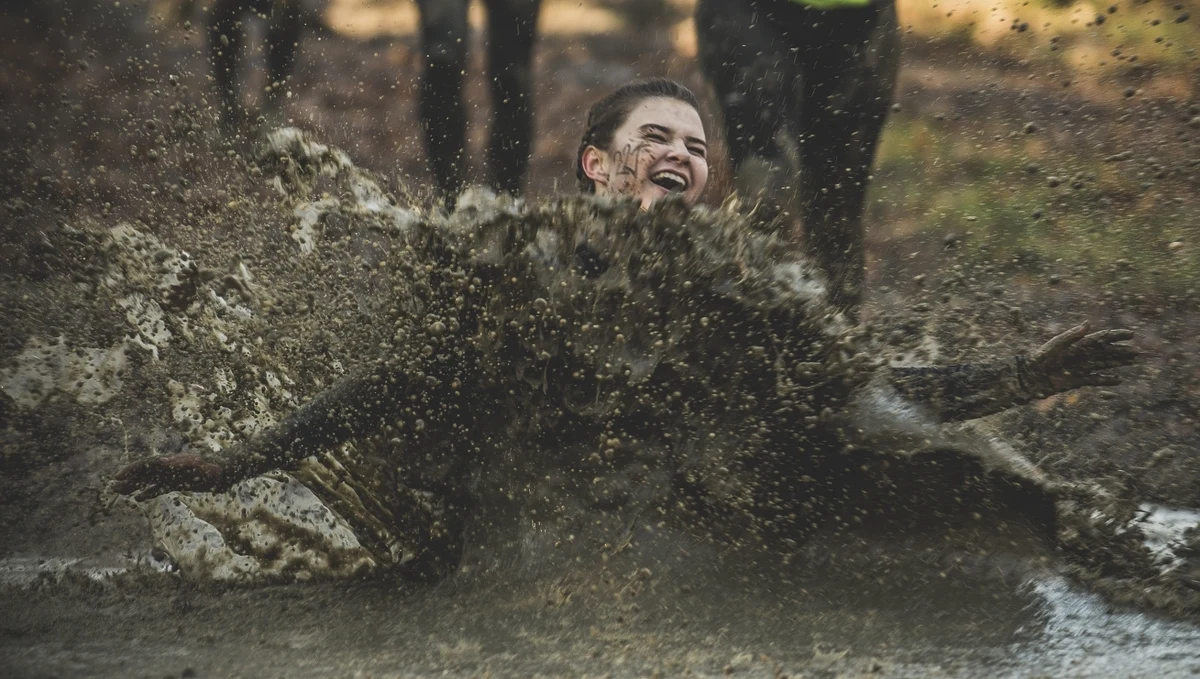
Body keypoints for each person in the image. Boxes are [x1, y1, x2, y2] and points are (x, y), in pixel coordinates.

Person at [112, 80, 1138, 571]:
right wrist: (240, 463)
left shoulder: (741, 285)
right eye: (657, 136)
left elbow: (861, 393)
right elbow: (405, 380)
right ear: (599, 166)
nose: (683, 154)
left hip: (687, 513)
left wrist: (1023, 375)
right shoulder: (524, 257)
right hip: (505, 508)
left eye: (696, 146)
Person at [695, 0, 900, 312]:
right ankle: (752, 336)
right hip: (747, 11)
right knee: (764, 197)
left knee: (835, 217)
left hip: (864, 18)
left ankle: (839, 347)